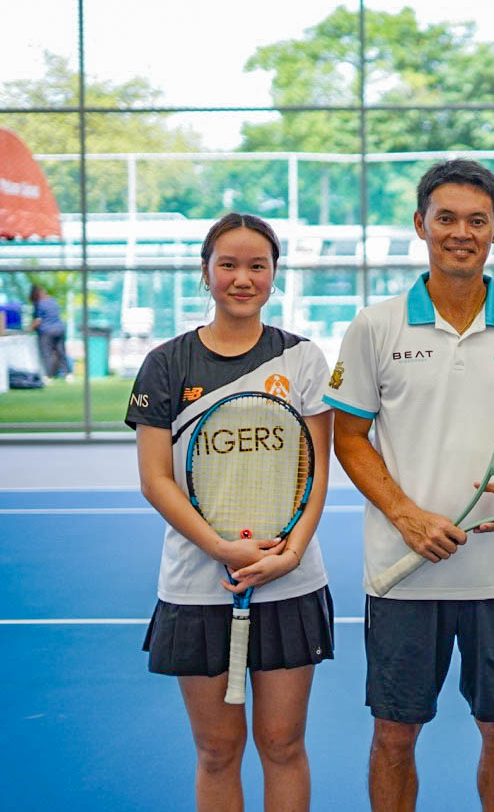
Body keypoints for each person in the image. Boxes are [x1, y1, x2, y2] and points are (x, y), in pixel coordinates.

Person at [325, 159, 494, 812]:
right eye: (446, 218)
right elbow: (349, 438)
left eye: (476, 220)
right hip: (404, 572)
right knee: (395, 734)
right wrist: (407, 516)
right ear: (420, 225)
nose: (461, 232)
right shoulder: (376, 324)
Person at [127, 213, 335, 811]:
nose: (242, 279)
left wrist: (291, 553)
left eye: (257, 266)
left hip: (288, 579)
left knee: (283, 743)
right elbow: (155, 479)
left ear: (274, 275)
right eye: (229, 265)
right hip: (198, 584)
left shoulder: (302, 360)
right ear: (206, 272)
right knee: (217, 750)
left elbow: (315, 470)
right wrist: (220, 548)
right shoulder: (166, 364)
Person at [29, 283, 69, 378]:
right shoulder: (52, 300)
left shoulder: (39, 303)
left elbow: (38, 320)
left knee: (47, 353)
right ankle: (68, 374)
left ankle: (48, 375)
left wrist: (29, 329)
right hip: (59, 329)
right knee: (61, 352)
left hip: (47, 331)